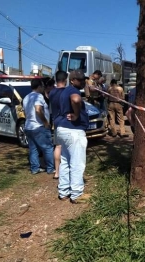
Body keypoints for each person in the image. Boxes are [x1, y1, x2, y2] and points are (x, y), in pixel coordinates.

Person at [53, 70, 89, 204]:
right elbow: (76, 99)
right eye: (80, 80)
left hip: (62, 130)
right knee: (77, 163)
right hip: (73, 131)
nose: (83, 82)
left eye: (83, 79)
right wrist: (77, 114)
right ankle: (77, 194)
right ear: (72, 80)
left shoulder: (64, 91)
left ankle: (64, 192)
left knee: (66, 161)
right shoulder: (73, 91)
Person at [23, 79, 55, 175]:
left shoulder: (26, 98)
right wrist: (45, 122)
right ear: (39, 86)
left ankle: (34, 168)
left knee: (33, 149)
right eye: (42, 86)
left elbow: (25, 113)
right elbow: (38, 110)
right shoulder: (38, 96)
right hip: (39, 127)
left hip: (29, 126)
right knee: (48, 147)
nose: (43, 88)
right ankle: (50, 168)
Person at [48, 71, 68, 179]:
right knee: (68, 147)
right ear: (65, 79)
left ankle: (57, 172)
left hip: (56, 121)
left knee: (58, 146)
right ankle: (67, 170)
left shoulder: (52, 93)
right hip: (67, 122)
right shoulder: (68, 92)